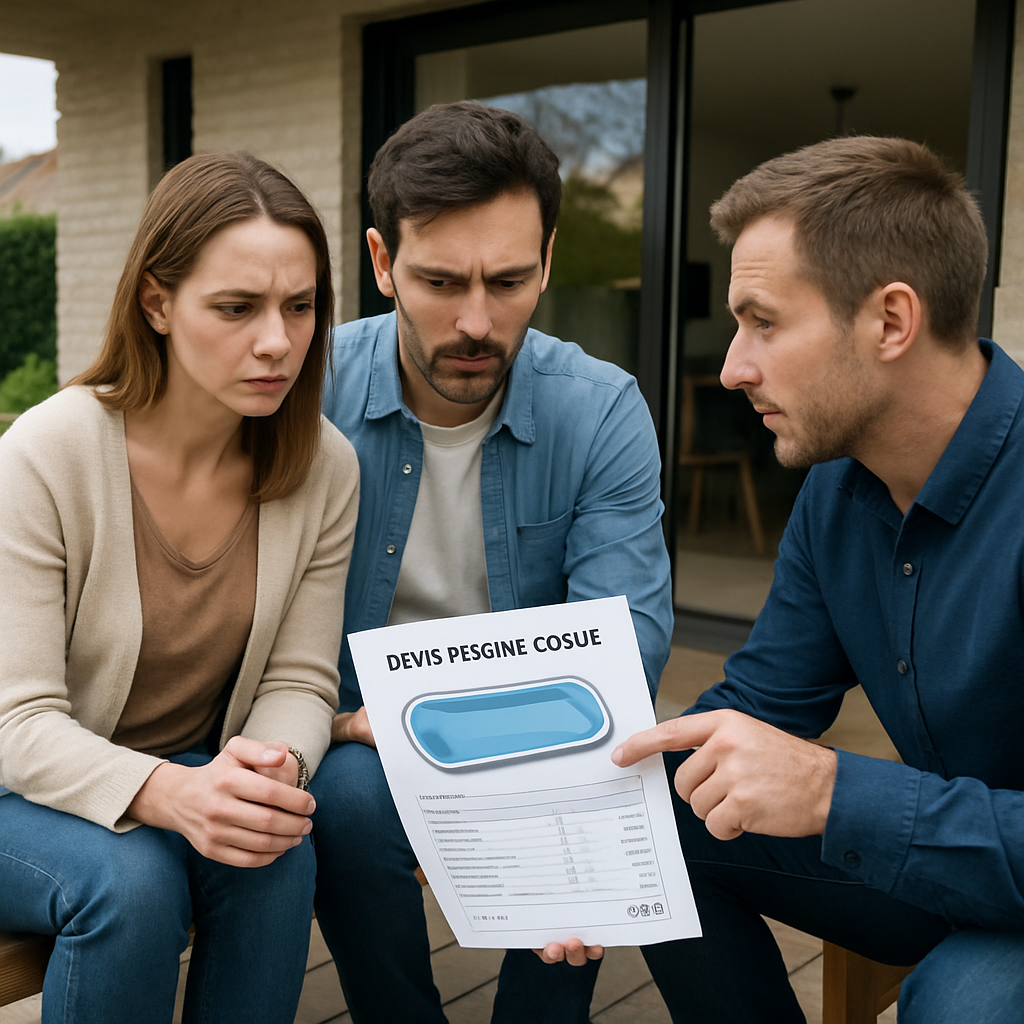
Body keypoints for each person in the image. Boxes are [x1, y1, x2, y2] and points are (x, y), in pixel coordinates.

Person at [596, 136, 1024, 1022]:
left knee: (959, 1004)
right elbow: (753, 708)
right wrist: (573, 845)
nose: (731, 367)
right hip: (948, 861)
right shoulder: (838, 490)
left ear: (891, 321)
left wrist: (833, 792)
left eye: (764, 321)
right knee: (663, 824)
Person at [311, 100, 674, 1024]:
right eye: (439, 281)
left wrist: (473, 734)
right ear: (382, 261)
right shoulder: (307, 394)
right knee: (348, 799)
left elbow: (626, 644)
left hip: (540, 722)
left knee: (612, 775)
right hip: (362, 737)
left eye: (510, 281)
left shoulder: (600, 409)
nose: (478, 322)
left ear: (548, 262)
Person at [0, 152, 360, 1024]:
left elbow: (300, 681)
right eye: (236, 308)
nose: (277, 339)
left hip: (186, 776)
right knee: (134, 878)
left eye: (300, 306)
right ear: (157, 303)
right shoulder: (46, 456)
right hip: (22, 795)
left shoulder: (323, 467)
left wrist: (271, 771)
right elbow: (16, 723)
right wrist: (172, 794)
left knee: (272, 844)